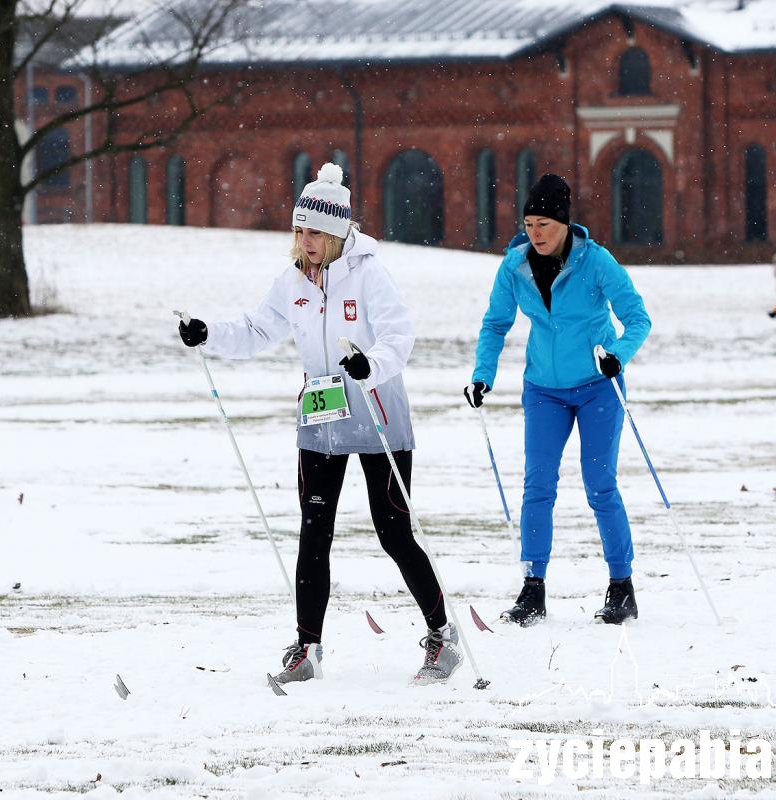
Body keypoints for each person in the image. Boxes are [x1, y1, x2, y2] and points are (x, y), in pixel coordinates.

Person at [177, 163, 462, 686]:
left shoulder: (369, 272)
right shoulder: (293, 281)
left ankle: (443, 635)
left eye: (314, 232)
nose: (304, 241)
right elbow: (256, 329)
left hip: (378, 413)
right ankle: (307, 647)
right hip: (321, 417)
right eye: (299, 230)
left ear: (337, 232)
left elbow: (400, 335)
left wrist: (369, 364)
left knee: (394, 532)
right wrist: (207, 334)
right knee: (314, 531)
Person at [464, 174, 651, 626]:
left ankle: (621, 587)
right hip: (543, 390)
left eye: (544, 223)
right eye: (529, 224)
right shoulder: (514, 267)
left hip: (596, 388)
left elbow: (637, 319)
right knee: (538, 485)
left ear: (564, 222)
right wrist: (482, 375)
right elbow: (495, 325)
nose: (536, 233)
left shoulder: (597, 262)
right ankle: (533, 589)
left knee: (600, 485)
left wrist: (617, 357)